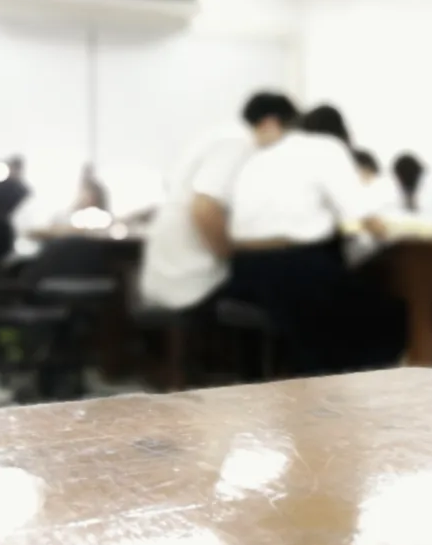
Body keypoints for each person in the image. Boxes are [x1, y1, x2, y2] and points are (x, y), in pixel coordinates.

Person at [223, 92, 401, 376]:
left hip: (241, 273)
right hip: (295, 271)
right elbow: (361, 214)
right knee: (389, 315)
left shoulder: (254, 159)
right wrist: (390, 232)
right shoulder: (324, 147)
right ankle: (337, 400)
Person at [138, 125, 256, 312]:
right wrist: (233, 254)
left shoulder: (208, 147)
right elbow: (204, 208)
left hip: (169, 279)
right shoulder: (237, 144)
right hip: (196, 285)